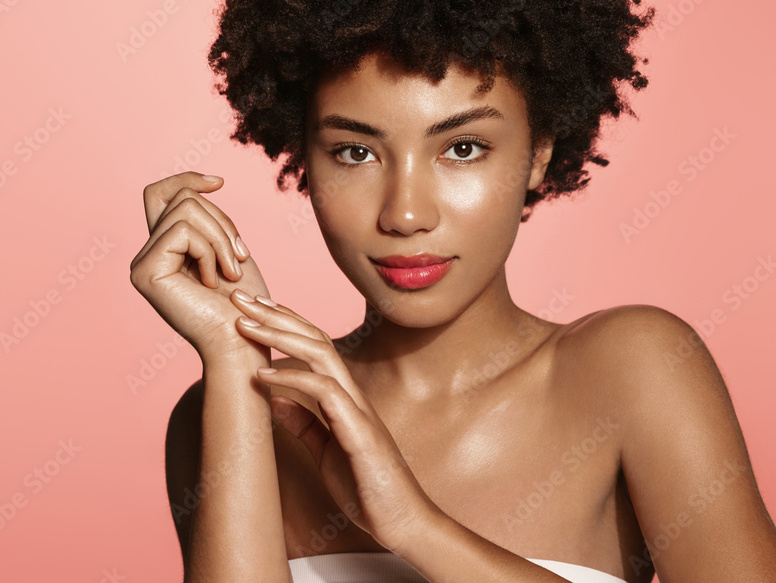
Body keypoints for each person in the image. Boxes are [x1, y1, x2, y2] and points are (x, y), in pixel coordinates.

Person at [129, 1, 776, 581]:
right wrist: (237, 359)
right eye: (355, 153)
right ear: (305, 158)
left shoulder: (634, 370)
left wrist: (415, 525)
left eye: (462, 147)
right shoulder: (235, 412)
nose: (405, 214)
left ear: (540, 149)